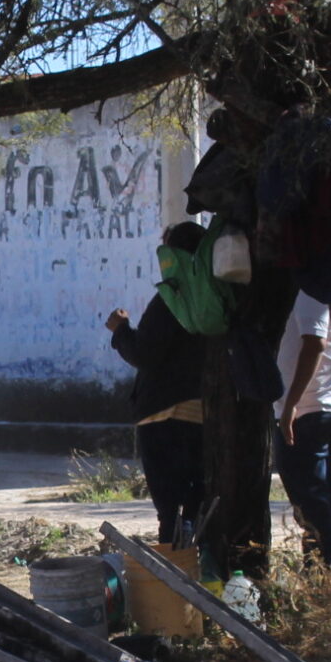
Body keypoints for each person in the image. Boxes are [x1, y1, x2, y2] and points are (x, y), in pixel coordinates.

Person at [108, 223, 207, 547]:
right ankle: (194, 564)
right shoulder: (213, 296)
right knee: (194, 502)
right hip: (200, 412)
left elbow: (144, 352)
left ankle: (173, 572)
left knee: (169, 510)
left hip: (164, 414)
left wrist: (121, 329)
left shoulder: (171, 298)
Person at [274, 283, 331, 580]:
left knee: (313, 507)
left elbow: (314, 344)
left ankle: (322, 581)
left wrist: (291, 404)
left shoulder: (310, 290)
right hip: (327, 409)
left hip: (309, 413)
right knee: (328, 503)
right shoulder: (322, 288)